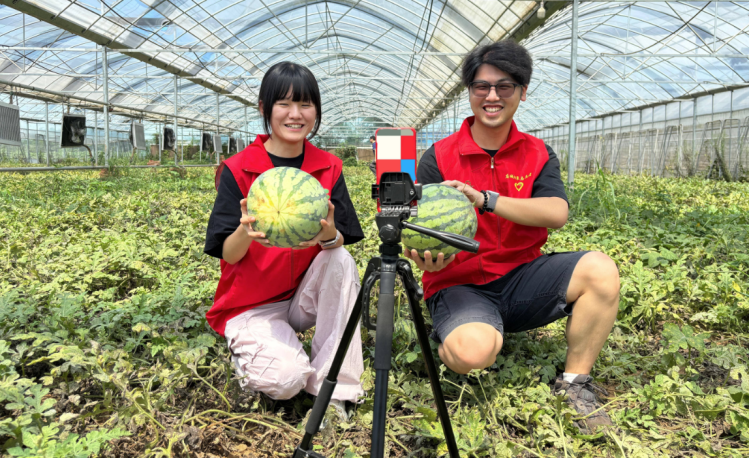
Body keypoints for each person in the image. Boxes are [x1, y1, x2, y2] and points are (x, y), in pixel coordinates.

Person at [404, 40, 620, 434]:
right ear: (469, 92)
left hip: (523, 279)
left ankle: (574, 383)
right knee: (473, 354)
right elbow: (419, 224)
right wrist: (423, 255)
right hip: (459, 283)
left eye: (504, 86)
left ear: (522, 91)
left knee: (600, 271)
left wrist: (486, 200)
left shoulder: (537, 153)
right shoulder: (438, 156)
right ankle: (459, 330)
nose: (492, 96)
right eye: (481, 86)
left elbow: (556, 212)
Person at [204, 62, 365, 420]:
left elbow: (341, 239)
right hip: (251, 305)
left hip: (301, 299)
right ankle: (250, 352)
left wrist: (328, 235)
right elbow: (227, 253)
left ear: (316, 111)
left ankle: (336, 388)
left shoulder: (329, 167)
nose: (296, 114)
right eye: (284, 104)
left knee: (340, 259)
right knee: (287, 380)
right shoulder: (238, 169)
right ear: (265, 108)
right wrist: (245, 230)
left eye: (305, 104)